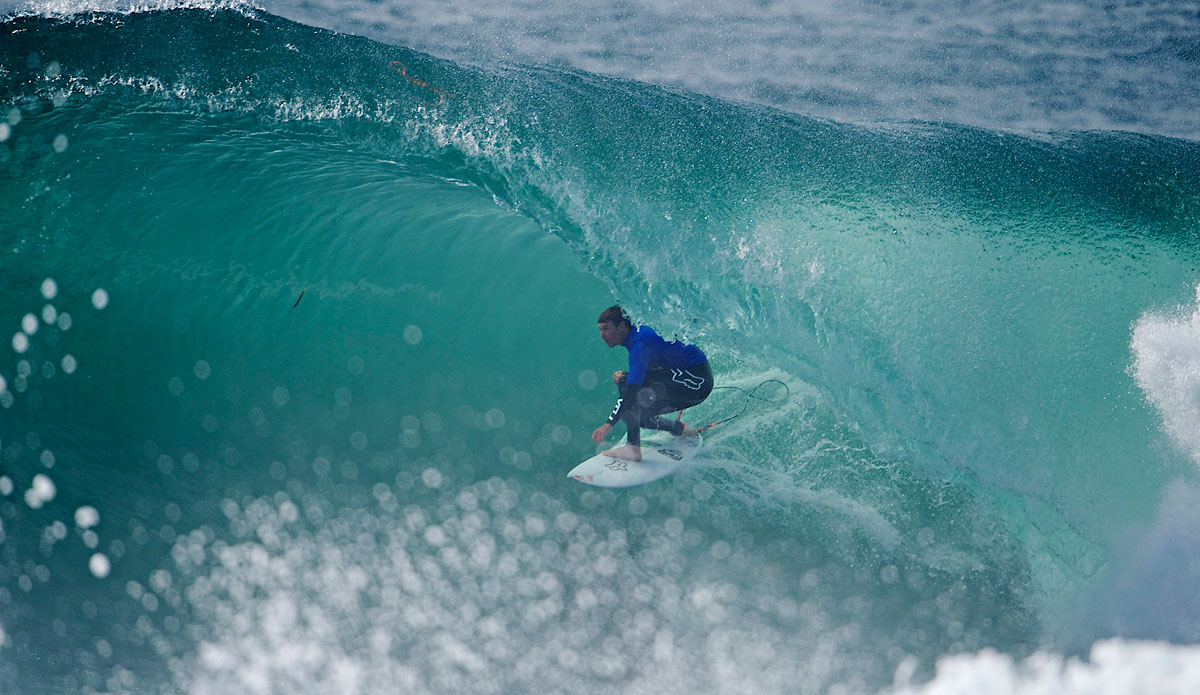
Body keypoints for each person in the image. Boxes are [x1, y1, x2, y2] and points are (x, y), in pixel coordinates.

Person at [591, 305, 713, 461]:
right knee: (634, 413)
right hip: (686, 379)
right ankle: (684, 431)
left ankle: (632, 447)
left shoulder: (640, 344)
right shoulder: (637, 337)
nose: (602, 335)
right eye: (600, 330)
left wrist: (609, 423)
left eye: (606, 329)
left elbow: (631, 391)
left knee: (629, 393)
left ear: (621, 326)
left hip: (698, 380)